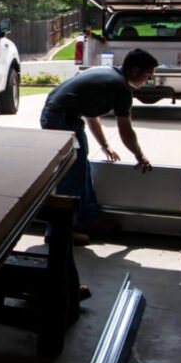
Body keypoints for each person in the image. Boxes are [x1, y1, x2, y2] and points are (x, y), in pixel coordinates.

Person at [40, 48, 158, 243]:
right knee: (70, 173)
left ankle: (87, 220)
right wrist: (140, 156)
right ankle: (58, 233)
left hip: (62, 117)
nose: (148, 80)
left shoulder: (110, 77)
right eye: (147, 75)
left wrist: (104, 145)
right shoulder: (120, 87)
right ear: (135, 71)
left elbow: (91, 113)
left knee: (82, 168)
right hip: (59, 119)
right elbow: (126, 131)